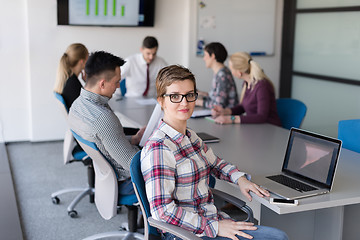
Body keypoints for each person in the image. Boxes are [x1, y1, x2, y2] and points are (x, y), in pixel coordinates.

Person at [141, 65, 289, 240]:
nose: (184, 102)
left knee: (277, 236)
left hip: (211, 219)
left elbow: (216, 163)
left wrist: (240, 179)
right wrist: (215, 227)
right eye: (175, 96)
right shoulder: (159, 148)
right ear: (161, 101)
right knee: (278, 238)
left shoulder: (190, 137)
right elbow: (163, 212)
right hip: (187, 233)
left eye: (190, 95)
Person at [68, 51, 145, 189]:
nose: (117, 87)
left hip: (106, 176)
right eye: (116, 82)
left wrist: (133, 139)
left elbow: (104, 142)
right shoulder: (103, 118)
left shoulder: (77, 105)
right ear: (102, 84)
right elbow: (131, 163)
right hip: (125, 180)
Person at [211, 52, 281, 126]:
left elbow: (261, 116)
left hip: (270, 128)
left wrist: (231, 119)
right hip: (256, 128)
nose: (230, 71)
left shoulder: (262, 86)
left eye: (231, 69)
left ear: (239, 72)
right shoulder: (247, 84)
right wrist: (225, 112)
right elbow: (243, 107)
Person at [196, 42, 239, 109]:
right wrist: (198, 93)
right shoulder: (219, 72)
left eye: (205, 55)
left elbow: (218, 105)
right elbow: (215, 96)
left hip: (226, 116)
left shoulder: (222, 75)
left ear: (212, 56)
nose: (204, 59)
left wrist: (197, 102)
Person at [54, 43, 88, 109]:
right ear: (82, 62)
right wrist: (89, 83)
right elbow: (88, 108)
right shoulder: (73, 84)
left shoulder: (69, 81)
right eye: (88, 58)